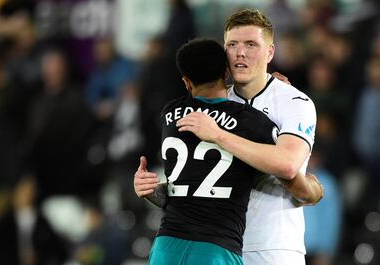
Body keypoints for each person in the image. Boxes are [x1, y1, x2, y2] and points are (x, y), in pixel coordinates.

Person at [135, 9, 321, 265]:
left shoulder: (293, 101)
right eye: (232, 44)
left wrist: (219, 136)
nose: (240, 52)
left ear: (270, 52)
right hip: (219, 247)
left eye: (251, 44)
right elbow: (199, 188)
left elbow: (288, 164)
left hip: (274, 248)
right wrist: (153, 190)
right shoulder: (210, 105)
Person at [148, 38, 278, 265]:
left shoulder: (171, 114)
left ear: (186, 82)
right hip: (216, 248)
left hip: (165, 246)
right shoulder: (253, 122)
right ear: (226, 74)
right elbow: (280, 166)